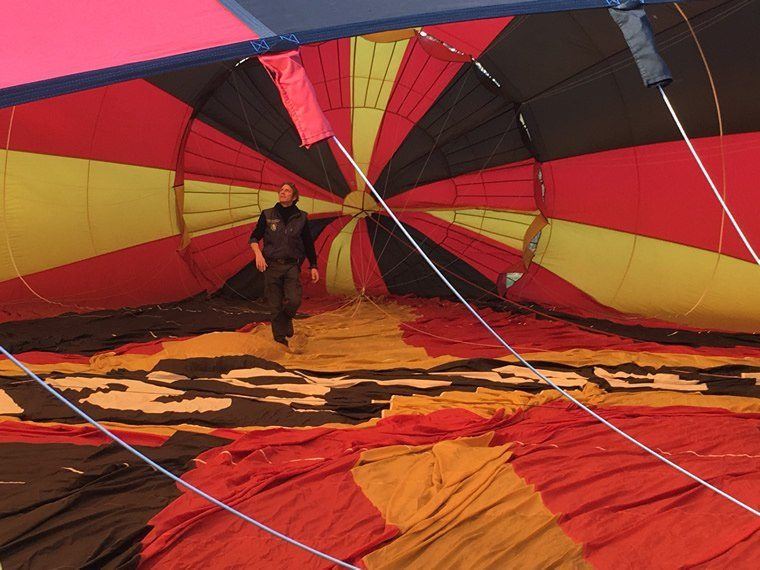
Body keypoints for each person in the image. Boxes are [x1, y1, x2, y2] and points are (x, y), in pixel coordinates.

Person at [249, 183, 319, 346]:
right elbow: (254, 237)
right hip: (271, 265)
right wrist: (258, 254)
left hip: (291, 266)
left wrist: (313, 265)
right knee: (275, 304)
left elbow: (308, 243)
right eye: (281, 190)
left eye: (287, 190)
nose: (282, 192)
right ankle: (280, 341)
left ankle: (286, 319)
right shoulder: (267, 214)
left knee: (294, 300)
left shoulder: (301, 217)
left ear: (294, 197)